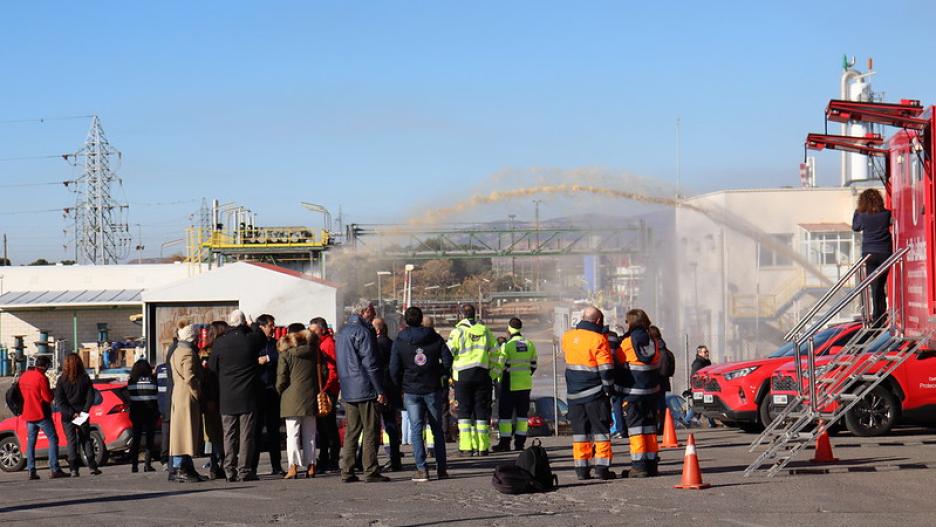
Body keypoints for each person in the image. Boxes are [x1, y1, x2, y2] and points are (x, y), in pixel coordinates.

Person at [390, 306, 453, 482]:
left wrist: (398, 386)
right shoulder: (434, 336)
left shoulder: (400, 340)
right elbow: (448, 358)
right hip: (432, 387)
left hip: (411, 389)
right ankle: (441, 469)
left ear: (405, 321)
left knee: (416, 430)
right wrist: (441, 372)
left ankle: (422, 469)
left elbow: (394, 367)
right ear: (421, 318)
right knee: (436, 429)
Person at [336, 299, 389, 483]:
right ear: (365, 311)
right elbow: (371, 364)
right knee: (370, 430)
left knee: (352, 431)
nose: (374, 315)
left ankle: (347, 470)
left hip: (348, 387)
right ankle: (370, 470)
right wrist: (380, 389)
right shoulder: (365, 332)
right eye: (372, 311)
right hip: (365, 387)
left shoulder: (342, 332)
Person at [563, 306, 615, 480]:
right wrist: (609, 389)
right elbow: (606, 369)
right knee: (600, 431)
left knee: (580, 434)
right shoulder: (598, 339)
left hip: (573, 394)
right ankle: (601, 469)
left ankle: (581, 470)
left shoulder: (568, 337)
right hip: (595, 393)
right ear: (599, 321)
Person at [209, 310, 261, 482]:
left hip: (227, 396)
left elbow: (212, 368)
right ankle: (245, 470)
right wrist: (253, 325)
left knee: (228, 434)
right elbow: (261, 336)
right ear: (243, 322)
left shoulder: (220, 343)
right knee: (246, 435)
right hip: (248, 395)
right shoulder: (250, 340)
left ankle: (229, 469)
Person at [447, 303, 500, 457]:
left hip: (462, 376)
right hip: (483, 375)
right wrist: (493, 373)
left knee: (464, 411)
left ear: (461, 315)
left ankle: (466, 447)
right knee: (481, 411)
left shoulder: (457, 332)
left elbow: (448, 353)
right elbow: (498, 353)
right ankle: (483, 447)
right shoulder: (485, 331)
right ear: (475, 314)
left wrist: (449, 373)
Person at [615, 309, 662, 478]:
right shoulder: (654, 342)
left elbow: (617, 362)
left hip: (633, 393)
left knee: (636, 430)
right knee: (650, 429)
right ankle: (651, 464)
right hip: (652, 392)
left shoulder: (627, 343)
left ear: (631, 323)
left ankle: (639, 466)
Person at [277, 324, 322, 479]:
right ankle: (311, 466)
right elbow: (323, 371)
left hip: (291, 398)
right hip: (311, 396)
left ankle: (293, 466)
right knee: (310, 433)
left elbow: (281, 378)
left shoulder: (286, 354)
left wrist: (280, 391)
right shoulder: (314, 351)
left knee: (293, 434)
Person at [492, 317, 537, 452]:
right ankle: (520, 443)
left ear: (509, 329)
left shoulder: (507, 346)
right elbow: (534, 365)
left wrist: (492, 377)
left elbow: (500, 366)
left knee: (505, 416)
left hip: (509, 384)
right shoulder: (530, 344)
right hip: (525, 385)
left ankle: (505, 443)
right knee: (522, 416)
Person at [53, 353, 100, 478]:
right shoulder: (85, 378)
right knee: (86, 440)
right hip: (82, 413)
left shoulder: (62, 380)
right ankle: (92, 466)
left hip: (68, 415)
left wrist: (71, 413)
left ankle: (74, 469)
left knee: (71, 442)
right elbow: (90, 397)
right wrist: (83, 412)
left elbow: (59, 400)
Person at [21, 356, 68, 480]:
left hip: (28, 413)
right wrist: (53, 393)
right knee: (53, 439)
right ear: (46, 366)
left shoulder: (25, 375)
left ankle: (31, 470)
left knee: (31, 442)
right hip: (41, 413)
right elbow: (47, 398)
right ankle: (54, 468)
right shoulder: (42, 378)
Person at [169, 324, 205, 482]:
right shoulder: (188, 353)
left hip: (178, 394)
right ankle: (180, 467)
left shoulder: (176, 351)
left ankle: (185, 466)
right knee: (185, 433)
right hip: (187, 396)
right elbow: (189, 376)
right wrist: (197, 392)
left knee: (180, 432)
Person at [853, 188, 893, 326]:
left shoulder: (861, 214)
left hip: (869, 254)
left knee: (874, 286)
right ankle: (880, 314)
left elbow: (855, 227)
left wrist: (857, 212)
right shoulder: (886, 214)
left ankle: (878, 317)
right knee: (880, 285)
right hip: (885, 253)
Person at [251, 314, 285, 477]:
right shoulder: (253, 343)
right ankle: (252, 466)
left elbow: (280, 356)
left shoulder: (274, 344)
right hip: (257, 391)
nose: (273, 328)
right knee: (255, 431)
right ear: (262, 326)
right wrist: (257, 361)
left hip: (272, 391)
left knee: (273, 431)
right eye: (270, 325)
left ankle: (276, 465)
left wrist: (268, 358)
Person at [309, 317, 340, 472]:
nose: (311, 333)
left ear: (321, 329)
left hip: (328, 390)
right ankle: (327, 457)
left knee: (328, 426)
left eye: (314, 330)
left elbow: (333, 371)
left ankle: (331, 458)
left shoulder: (327, 344)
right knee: (324, 426)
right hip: (326, 389)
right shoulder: (321, 343)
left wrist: (324, 388)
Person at [200, 321, 229, 480]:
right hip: (217, 397)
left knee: (214, 435)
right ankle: (219, 464)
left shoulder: (204, 352)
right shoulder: (215, 351)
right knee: (221, 434)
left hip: (211, 398)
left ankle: (214, 464)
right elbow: (210, 378)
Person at [373, 317, 402, 471]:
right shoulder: (392, 343)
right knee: (391, 424)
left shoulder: (377, 344)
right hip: (392, 387)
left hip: (382, 388)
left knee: (380, 425)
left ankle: (385, 458)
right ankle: (395, 457)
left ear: (377, 330)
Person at [127, 359, 159, 473]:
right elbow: (156, 396)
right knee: (149, 439)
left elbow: (130, 397)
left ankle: (134, 465)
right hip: (150, 413)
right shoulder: (153, 381)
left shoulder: (132, 381)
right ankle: (147, 464)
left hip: (136, 413)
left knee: (136, 439)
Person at [650, 325, 675, 434]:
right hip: (661, 382)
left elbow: (664, 370)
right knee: (659, 405)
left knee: (658, 406)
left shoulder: (659, 351)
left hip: (658, 382)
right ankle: (659, 427)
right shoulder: (664, 350)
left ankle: (660, 427)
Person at [689, 345, 716, 428]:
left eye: (707, 351)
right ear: (700, 353)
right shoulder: (698, 363)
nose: (707, 353)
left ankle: (712, 423)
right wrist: (698, 388)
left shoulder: (706, 362)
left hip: (706, 387)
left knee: (706, 406)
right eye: (705, 352)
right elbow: (694, 377)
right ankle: (686, 421)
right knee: (700, 407)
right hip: (700, 388)